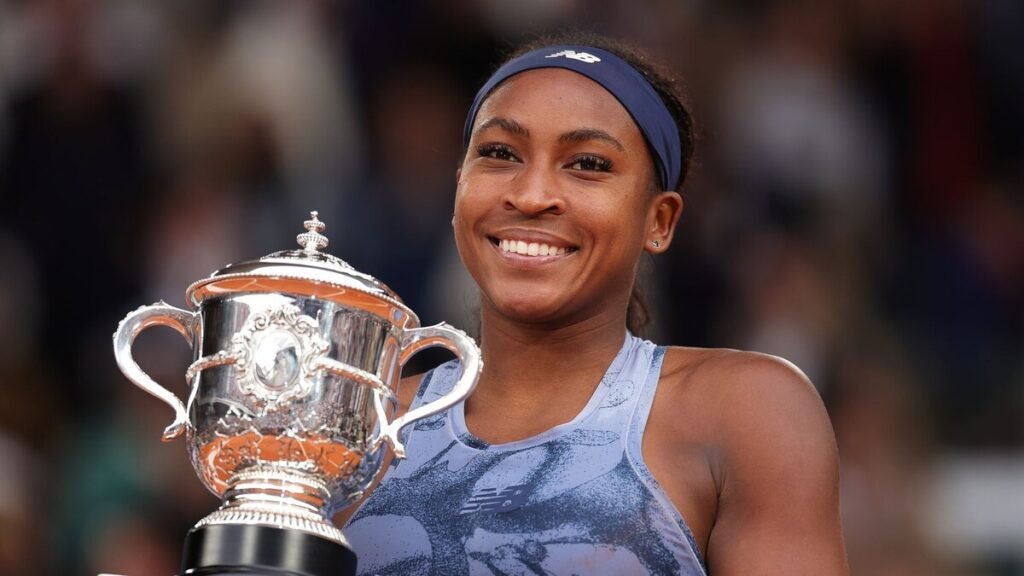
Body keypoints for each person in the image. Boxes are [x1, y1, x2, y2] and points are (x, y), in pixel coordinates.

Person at [340, 33, 848, 575]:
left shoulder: (749, 411)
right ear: (460, 185)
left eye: (587, 163)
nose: (532, 195)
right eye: (499, 154)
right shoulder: (357, 424)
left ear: (660, 221)